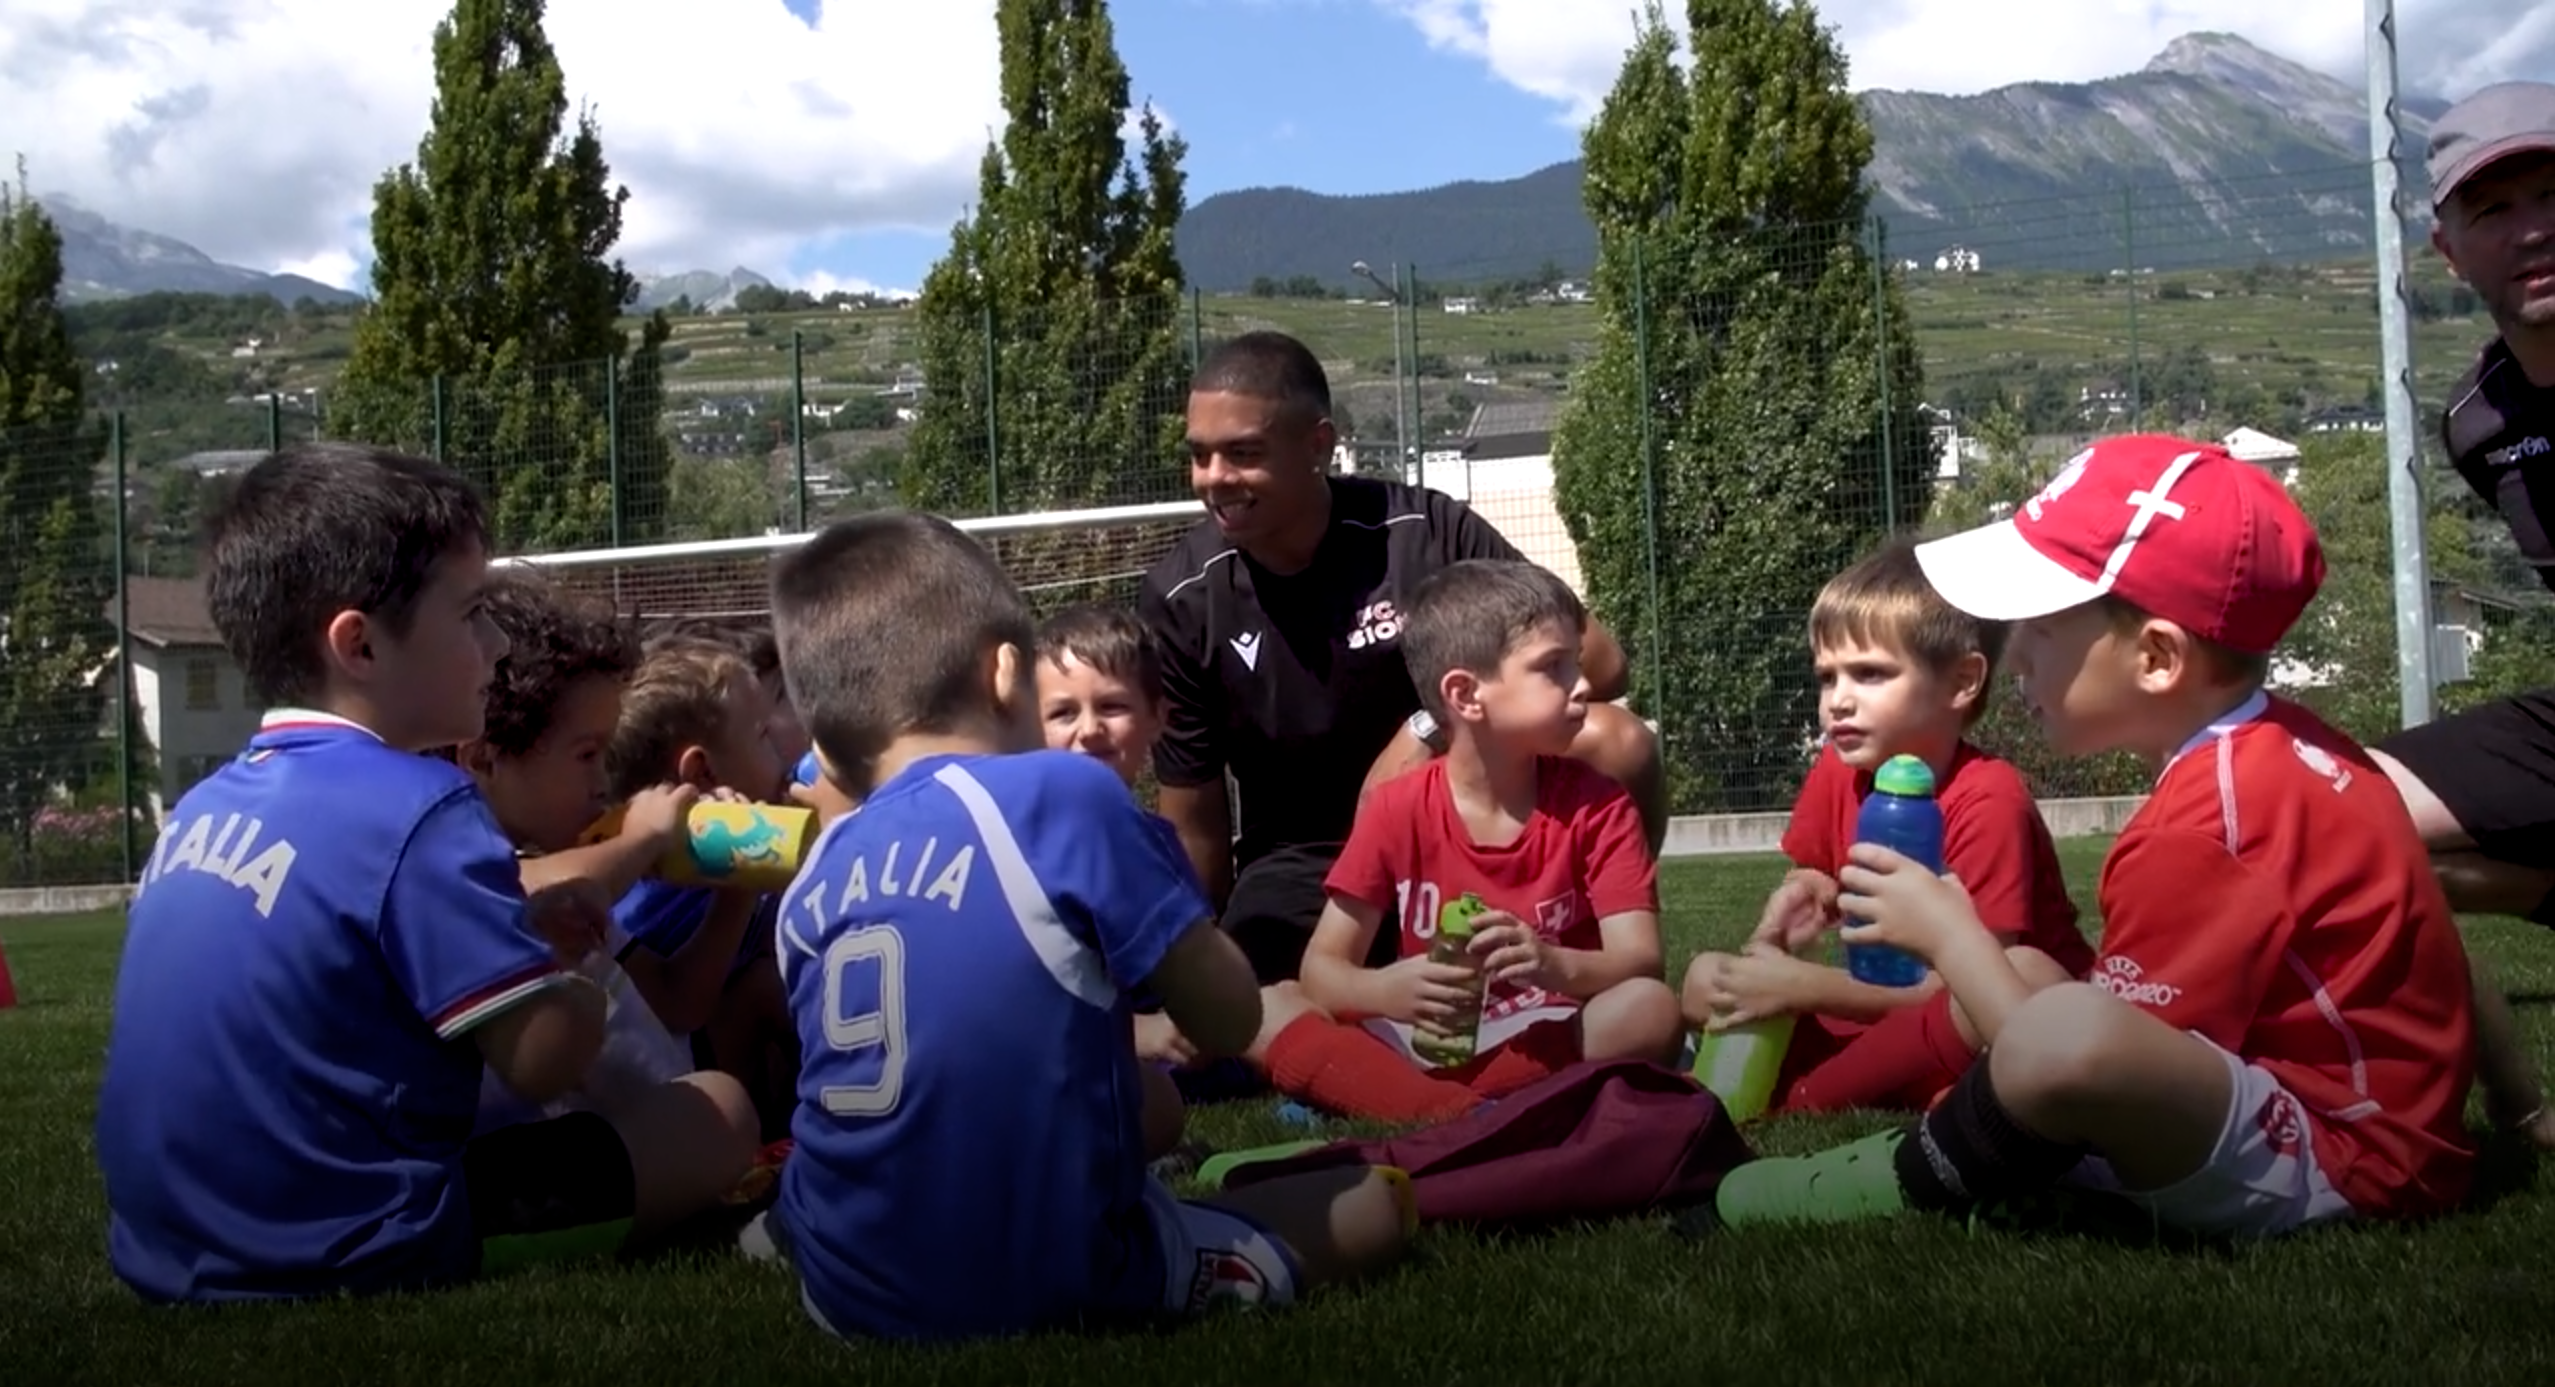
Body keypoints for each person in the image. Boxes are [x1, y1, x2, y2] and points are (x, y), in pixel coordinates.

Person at [1713, 434, 2480, 1239]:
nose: (2015, 664)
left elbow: (2067, 1060)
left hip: (2338, 1163)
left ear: (2155, 656)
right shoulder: (2307, 752)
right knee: (2034, 971)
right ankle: (1992, 1149)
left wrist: (1945, 931)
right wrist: (2514, 1101)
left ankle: (1910, 1172)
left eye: (2038, 632)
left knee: (2065, 1023)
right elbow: (2438, 947)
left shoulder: (2200, 825)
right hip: (2388, 1138)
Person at [753, 510, 1411, 1342]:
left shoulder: (814, 870)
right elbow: (1230, 1018)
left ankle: (782, 1229)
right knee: (1372, 1206)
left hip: (844, 1295)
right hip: (1051, 1281)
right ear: (1005, 675)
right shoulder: (1060, 795)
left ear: (829, 743)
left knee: (1126, 1097)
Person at [92, 443, 723, 1303]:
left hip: (168, 1247)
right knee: (718, 1109)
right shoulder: (423, 803)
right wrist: (569, 978)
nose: (497, 644)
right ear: (359, 646)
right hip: (358, 1244)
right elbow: (540, 1058)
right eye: (470, 615)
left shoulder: (203, 807)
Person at [1142, 329, 1666, 988]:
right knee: (1264, 1013)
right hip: (1302, 860)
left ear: (1317, 445)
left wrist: (1429, 727)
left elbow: (1601, 661)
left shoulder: (1426, 531)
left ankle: (1598, 963)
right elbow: (1195, 827)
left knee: (1618, 741)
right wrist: (1182, 966)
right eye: (1200, 456)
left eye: (1242, 453)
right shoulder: (1181, 598)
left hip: (1462, 824)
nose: (1214, 478)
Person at [1267, 559, 1682, 1123]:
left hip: (1552, 1028)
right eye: (1552, 668)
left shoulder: (1598, 804)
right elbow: (1323, 971)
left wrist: (1550, 964)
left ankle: (1403, 1101)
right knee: (1271, 1004)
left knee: (1649, 1011)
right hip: (1428, 1036)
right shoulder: (1397, 805)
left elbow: (1641, 963)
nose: (1582, 684)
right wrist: (1388, 991)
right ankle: (1463, 1111)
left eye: (1576, 664)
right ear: (1465, 695)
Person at [1681, 537, 2087, 1113]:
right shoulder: (1839, 768)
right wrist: (1803, 894)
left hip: (1998, 1015)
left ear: (1962, 682)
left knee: (1989, 1006)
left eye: (1869, 674)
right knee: (1704, 977)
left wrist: (1802, 987)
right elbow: (1816, 870)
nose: (1837, 702)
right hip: (1884, 1006)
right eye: (1828, 677)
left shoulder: (1988, 799)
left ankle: (1805, 1098)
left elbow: (1977, 989)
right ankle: (1891, 1081)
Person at [2360, 80, 2555, 1149]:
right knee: (2332, 815)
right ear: (2446, 248)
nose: (2531, 227)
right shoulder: (2477, 424)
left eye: (2550, 190)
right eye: (2493, 208)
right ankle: (2513, 1109)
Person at [446, 570, 760, 1204]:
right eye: (586, 754)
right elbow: (523, 892)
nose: (602, 781)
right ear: (483, 759)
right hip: (491, 1167)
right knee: (722, 1113)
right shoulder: (464, 864)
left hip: (571, 1139)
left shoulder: (566, 864)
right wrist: (640, 841)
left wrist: (737, 890)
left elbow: (676, 1003)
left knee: (724, 1104)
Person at [604, 633, 798, 1138]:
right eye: (761, 736)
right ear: (704, 772)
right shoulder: (655, 886)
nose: (781, 747)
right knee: (766, 985)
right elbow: (682, 1009)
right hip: (677, 1089)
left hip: (709, 1072)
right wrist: (741, 884)